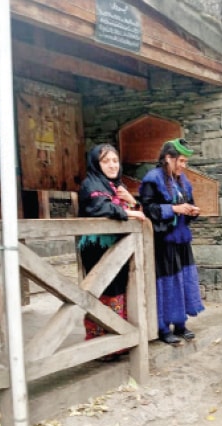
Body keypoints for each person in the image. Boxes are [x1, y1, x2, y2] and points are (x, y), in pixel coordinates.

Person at [78, 144, 145, 359]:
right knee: (101, 291)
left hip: (119, 248)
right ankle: (100, 345)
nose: (112, 165)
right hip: (97, 248)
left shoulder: (117, 186)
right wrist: (130, 212)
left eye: (115, 161)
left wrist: (131, 201)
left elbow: (135, 210)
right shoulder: (90, 184)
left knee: (118, 291)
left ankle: (118, 341)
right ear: (96, 164)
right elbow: (100, 208)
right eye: (106, 161)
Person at [139, 138, 205, 345]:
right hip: (163, 240)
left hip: (181, 239)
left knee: (183, 281)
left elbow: (189, 203)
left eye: (185, 162)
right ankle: (162, 327)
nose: (184, 166)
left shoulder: (183, 181)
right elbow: (148, 209)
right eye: (181, 161)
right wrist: (174, 209)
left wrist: (192, 211)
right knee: (166, 284)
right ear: (168, 158)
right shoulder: (152, 179)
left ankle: (180, 323)